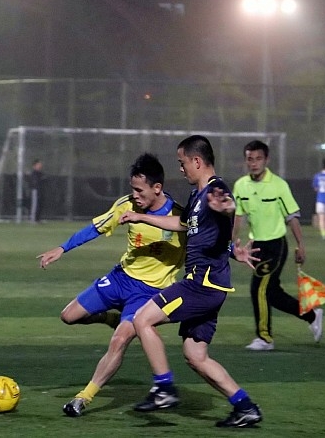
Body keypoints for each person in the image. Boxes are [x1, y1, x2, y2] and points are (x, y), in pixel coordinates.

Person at [119, 135, 263, 429]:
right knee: (195, 356)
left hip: (201, 284)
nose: (181, 168)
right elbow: (182, 225)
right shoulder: (197, 197)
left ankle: (163, 388)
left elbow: (228, 207)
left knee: (142, 319)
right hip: (210, 285)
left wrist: (226, 210)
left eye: (182, 162)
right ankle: (246, 407)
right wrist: (140, 217)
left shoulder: (216, 189)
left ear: (197, 161)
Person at [37, 153, 185, 418]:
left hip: (149, 293)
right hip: (120, 279)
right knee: (68, 316)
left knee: (119, 340)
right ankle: (111, 318)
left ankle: (83, 398)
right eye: (132, 189)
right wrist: (62, 248)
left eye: (139, 190)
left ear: (157, 188)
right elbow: (95, 227)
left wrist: (234, 251)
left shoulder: (179, 217)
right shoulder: (126, 205)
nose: (135, 195)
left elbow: (209, 237)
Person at [232, 139, 323, 351]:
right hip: (257, 247)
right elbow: (237, 217)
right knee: (272, 294)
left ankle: (265, 338)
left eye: (258, 159)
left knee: (258, 288)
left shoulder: (279, 185)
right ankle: (312, 315)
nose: (254, 163)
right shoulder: (240, 185)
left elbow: (292, 217)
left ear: (267, 160)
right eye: (250, 159)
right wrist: (231, 244)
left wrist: (301, 245)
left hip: (276, 246)